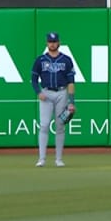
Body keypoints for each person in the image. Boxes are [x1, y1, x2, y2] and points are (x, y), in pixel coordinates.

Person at [31, 31, 76, 167]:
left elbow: (71, 82)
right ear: (47, 43)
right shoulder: (40, 60)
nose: (52, 44)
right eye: (50, 42)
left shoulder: (66, 60)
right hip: (46, 93)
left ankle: (58, 159)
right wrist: (38, 92)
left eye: (54, 41)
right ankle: (42, 159)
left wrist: (71, 102)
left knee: (60, 126)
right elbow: (33, 79)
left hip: (61, 93)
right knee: (44, 125)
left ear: (59, 43)